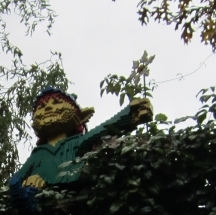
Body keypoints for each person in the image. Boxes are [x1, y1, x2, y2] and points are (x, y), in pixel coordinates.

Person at [9, 87, 153, 206]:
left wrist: (131, 113)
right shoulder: (38, 153)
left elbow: (104, 128)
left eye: (57, 103)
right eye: (41, 106)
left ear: (80, 116)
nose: (48, 108)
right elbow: (17, 178)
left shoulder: (78, 142)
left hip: (76, 190)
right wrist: (20, 187)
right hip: (41, 199)